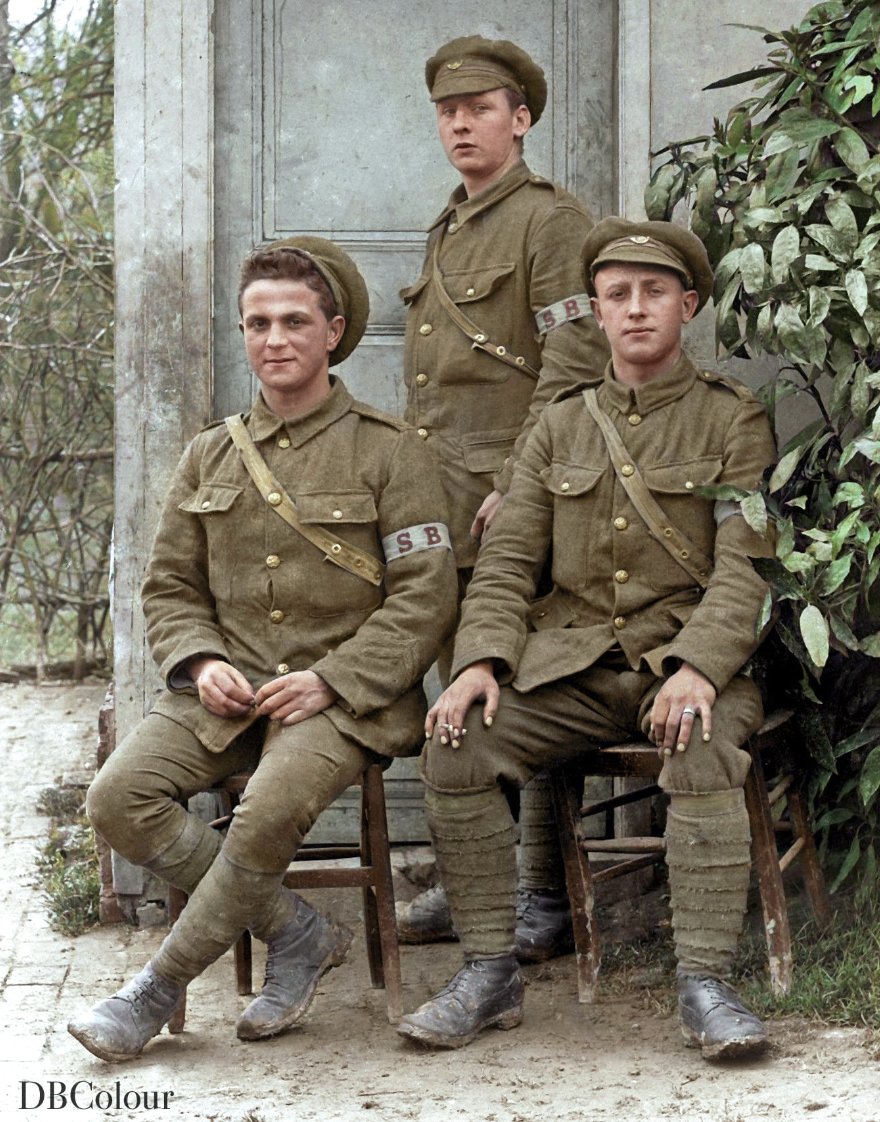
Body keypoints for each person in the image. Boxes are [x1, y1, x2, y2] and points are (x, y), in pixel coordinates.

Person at [67, 238, 458, 1062]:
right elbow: (170, 585)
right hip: (225, 691)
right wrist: (201, 661)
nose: (273, 339)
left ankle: (156, 988)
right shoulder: (210, 453)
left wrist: (333, 679)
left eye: (293, 321)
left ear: (333, 331)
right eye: (256, 324)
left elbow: (427, 594)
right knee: (115, 798)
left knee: (270, 807)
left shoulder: (391, 450)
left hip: (347, 698)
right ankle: (298, 932)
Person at [397, 218, 777, 1060]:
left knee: (703, 746)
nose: (635, 310)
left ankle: (705, 986)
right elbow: (504, 563)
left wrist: (699, 668)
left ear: (687, 306)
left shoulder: (732, 420)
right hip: (569, 662)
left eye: (652, 294)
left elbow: (745, 570)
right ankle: (489, 974)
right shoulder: (561, 425)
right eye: (616, 296)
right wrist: (479, 664)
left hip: (683, 663)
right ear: (597, 314)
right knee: (458, 744)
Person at [397, 34, 609, 958]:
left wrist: (523, 485)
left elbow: (576, 360)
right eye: (448, 110)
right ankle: (478, 883)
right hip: (441, 503)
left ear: (520, 120)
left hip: (508, 503)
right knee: (462, 695)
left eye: (479, 108)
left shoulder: (551, 222)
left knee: (515, 694)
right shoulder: (450, 226)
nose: (460, 124)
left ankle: (543, 901)